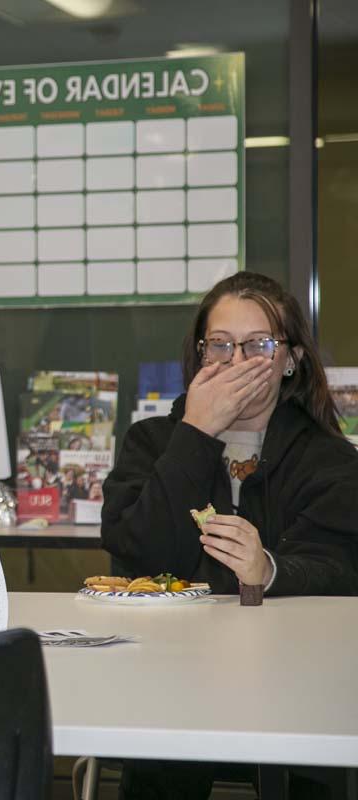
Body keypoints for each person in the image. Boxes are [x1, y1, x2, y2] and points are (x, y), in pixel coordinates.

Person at [102, 272, 358, 799]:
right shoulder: (152, 442)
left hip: (298, 690)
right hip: (168, 685)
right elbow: (136, 553)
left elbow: (341, 566)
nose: (236, 361)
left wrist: (269, 570)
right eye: (219, 345)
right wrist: (196, 434)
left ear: (291, 360)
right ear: (199, 356)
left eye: (257, 345)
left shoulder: (327, 456)